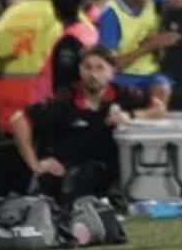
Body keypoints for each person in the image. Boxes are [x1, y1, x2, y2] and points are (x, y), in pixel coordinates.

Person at [11, 45, 165, 207]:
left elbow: (159, 109)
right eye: (88, 68)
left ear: (112, 71)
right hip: (61, 166)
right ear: (80, 70)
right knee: (37, 198)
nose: (93, 74)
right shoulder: (64, 98)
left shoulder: (125, 95)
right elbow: (18, 120)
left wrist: (130, 116)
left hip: (101, 169)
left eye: (100, 68)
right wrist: (35, 164)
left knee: (80, 180)